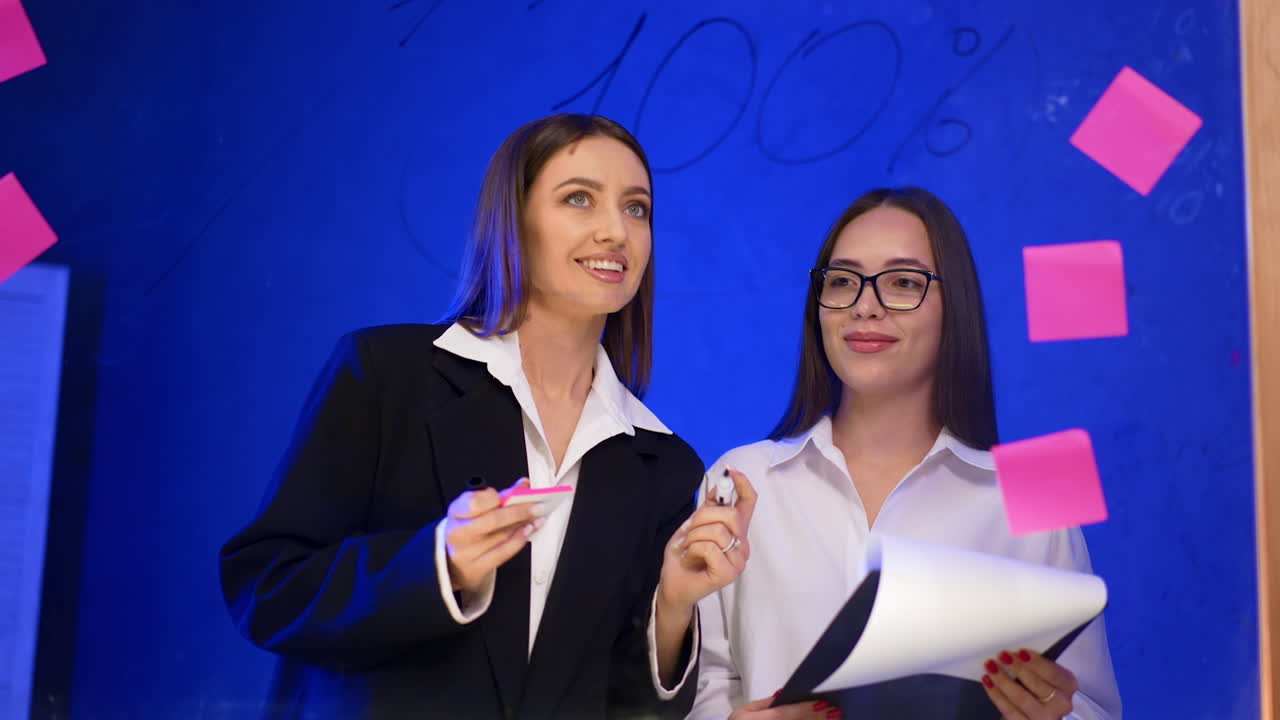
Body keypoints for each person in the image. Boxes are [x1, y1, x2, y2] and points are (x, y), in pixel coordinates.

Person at [219, 113, 755, 720]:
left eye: (636, 209)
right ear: (514, 221)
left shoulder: (661, 461)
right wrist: (436, 563)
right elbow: (265, 587)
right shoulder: (385, 374)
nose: (615, 231)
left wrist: (675, 606)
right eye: (579, 199)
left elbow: (624, 705)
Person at [688, 187, 1123, 720]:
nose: (864, 306)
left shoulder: (1026, 506)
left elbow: (1091, 708)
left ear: (954, 308)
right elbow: (698, 685)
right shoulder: (744, 482)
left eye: (903, 283)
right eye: (843, 281)